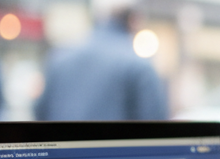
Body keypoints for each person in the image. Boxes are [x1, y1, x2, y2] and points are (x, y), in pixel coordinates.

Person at [34, 7, 168, 121]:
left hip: (61, 149)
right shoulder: (138, 65)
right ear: (134, 21)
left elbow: (40, 110)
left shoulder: (60, 57)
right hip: (113, 151)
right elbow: (154, 123)